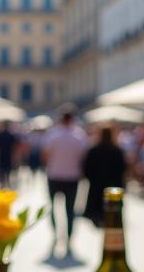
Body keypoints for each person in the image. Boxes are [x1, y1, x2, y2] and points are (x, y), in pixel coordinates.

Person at [43, 105, 88, 252]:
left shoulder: (53, 135)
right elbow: (83, 157)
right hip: (72, 176)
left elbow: (45, 156)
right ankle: (68, 237)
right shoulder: (79, 135)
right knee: (70, 209)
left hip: (55, 175)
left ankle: (56, 233)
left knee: (53, 207)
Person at [81, 126, 126, 226]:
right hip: (113, 187)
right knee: (113, 218)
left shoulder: (94, 150)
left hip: (97, 187)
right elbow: (123, 169)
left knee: (99, 217)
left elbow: (86, 169)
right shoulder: (117, 150)